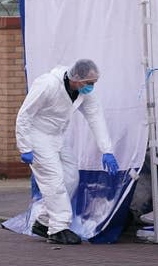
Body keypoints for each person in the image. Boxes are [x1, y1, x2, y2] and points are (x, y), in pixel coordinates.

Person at [15, 59, 119, 245]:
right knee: (54, 180)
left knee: (71, 177)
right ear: (77, 79)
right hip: (37, 136)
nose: (92, 87)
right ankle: (58, 229)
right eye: (90, 83)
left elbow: (96, 117)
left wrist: (107, 150)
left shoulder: (83, 92)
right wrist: (25, 146)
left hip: (56, 136)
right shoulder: (48, 84)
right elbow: (25, 114)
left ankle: (44, 221)